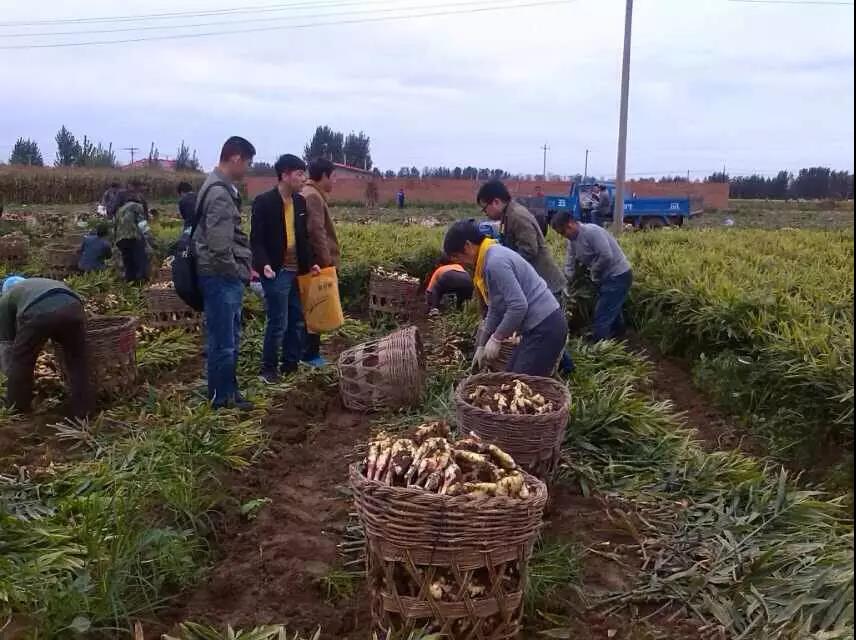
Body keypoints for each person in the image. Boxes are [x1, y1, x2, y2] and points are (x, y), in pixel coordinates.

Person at [443, 220, 567, 377]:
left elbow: (518, 306)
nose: (458, 263)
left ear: (467, 246)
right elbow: (495, 308)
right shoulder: (489, 259)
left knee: (518, 382)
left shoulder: (495, 262)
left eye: (456, 257)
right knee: (510, 375)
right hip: (536, 328)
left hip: (545, 327)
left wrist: (496, 338)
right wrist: (482, 344)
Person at [477, 180, 573, 373]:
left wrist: (507, 269)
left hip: (546, 283)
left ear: (495, 202)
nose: (485, 213)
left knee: (547, 332)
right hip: (537, 283)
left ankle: (564, 371)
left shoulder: (517, 216)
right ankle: (558, 370)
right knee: (542, 336)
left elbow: (530, 249)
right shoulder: (508, 216)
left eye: (484, 208)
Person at [194, 136, 256, 410]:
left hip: (219, 276)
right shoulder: (219, 193)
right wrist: (236, 274)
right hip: (220, 278)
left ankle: (228, 392)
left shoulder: (219, 187)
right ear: (235, 158)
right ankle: (221, 400)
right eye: (248, 162)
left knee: (228, 339)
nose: (248, 169)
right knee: (223, 343)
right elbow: (220, 248)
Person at [251, 153, 314, 384]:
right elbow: (256, 240)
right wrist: (264, 264)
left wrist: (311, 263)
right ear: (285, 175)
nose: (303, 178)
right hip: (276, 271)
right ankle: (268, 369)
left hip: (297, 270)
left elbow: (303, 237)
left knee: (297, 319)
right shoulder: (264, 202)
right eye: (299, 174)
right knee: (278, 322)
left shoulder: (300, 202)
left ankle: (290, 364)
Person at [0, 276, 91, 417]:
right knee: (78, 361)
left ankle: (17, 408)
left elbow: (6, 343)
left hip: (39, 312)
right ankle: (83, 410)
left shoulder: (5, 299)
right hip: (74, 307)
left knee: (22, 361)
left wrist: (10, 372)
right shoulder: (36, 284)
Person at [551, 210, 633, 342]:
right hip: (606, 278)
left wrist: (593, 271)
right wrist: (566, 283)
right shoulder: (572, 240)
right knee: (611, 308)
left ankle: (600, 348)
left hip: (618, 275)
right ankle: (620, 335)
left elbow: (606, 255)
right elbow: (570, 262)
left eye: (562, 232)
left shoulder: (592, 232)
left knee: (602, 315)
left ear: (570, 225)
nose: (563, 236)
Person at [301, 158, 340, 367]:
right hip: (316, 264)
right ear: (323, 176)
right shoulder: (313, 196)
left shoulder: (309, 193)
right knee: (315, 308)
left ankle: (307, 352)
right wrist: (327, 264)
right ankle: (309, 355)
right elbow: (316, 232)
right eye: (333, 177)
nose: (335, 181)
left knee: (310, 308)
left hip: (311, 262)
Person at [113, 191, 152, 283]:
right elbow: (142, 224)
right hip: (133, 237)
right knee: (140, 260)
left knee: (128, 263)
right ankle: (142, 282)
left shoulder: (120, 209)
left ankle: (130, 283)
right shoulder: (137, 206)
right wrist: (149, 238)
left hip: (121, 240)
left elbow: (115, 226)